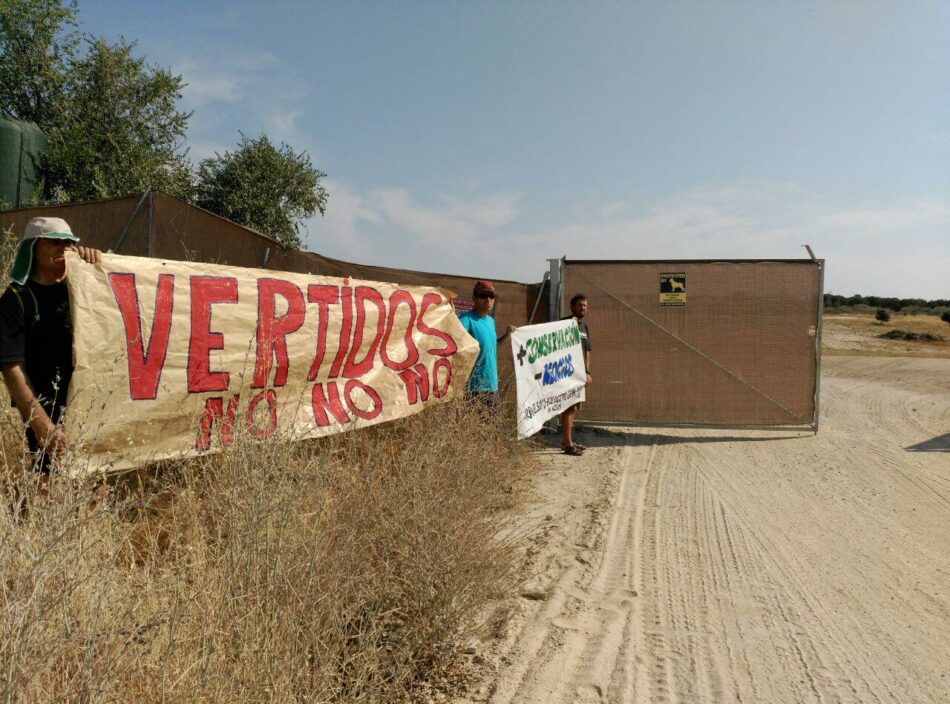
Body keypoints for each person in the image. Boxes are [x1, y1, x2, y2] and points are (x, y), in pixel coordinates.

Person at [0, 216, 102, 473]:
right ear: (33, 248)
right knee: (50, 476)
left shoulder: (80, 286)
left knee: (96, 475)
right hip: (44, 403)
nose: (64, 248)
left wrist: (97, 264)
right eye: (54, 242)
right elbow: (11, 367)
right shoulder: (15, 300)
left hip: (89, 398)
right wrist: (43, 426)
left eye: (68, 242)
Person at [457, 279, 515, 407]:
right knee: (475, 427)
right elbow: (455, 341)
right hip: (474, 389)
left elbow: (491, 347)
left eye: (491, 296)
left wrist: (506, 336)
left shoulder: (490, 321)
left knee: (493, 426)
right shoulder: (466, 320)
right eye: (483, 296)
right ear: (474, 298)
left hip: (492, 387)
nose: (488, 299)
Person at [560, 293, 592, 455]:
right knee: (568, 408)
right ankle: (568, 445)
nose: (582, 308)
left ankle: (567, 441)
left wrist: (587, 372)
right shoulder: (565, 323)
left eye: (585, 305)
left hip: (580, 376)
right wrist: (566, 325)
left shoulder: (584, 327)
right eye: (580, 305)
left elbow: (587, 351)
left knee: (573, 408)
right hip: (566, 375)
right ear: (572, 306)